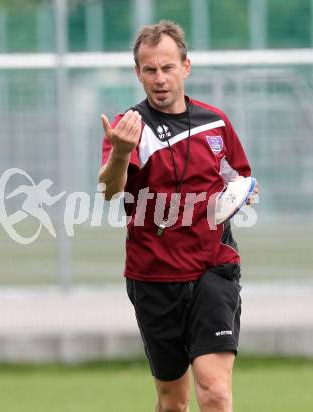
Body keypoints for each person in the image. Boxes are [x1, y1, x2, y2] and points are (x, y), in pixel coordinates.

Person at [99, 21, 258, 412]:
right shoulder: (129, 128)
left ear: (186, 67)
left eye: (168, 67)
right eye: (150, 70)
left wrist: (245, 194)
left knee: (216, 392)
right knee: (173, 401)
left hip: (212, 269)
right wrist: (120, 152)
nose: (160, 78)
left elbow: (240, 178)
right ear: (138, 73)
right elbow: (109, 191)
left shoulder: (215, 122)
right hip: (153, 276)